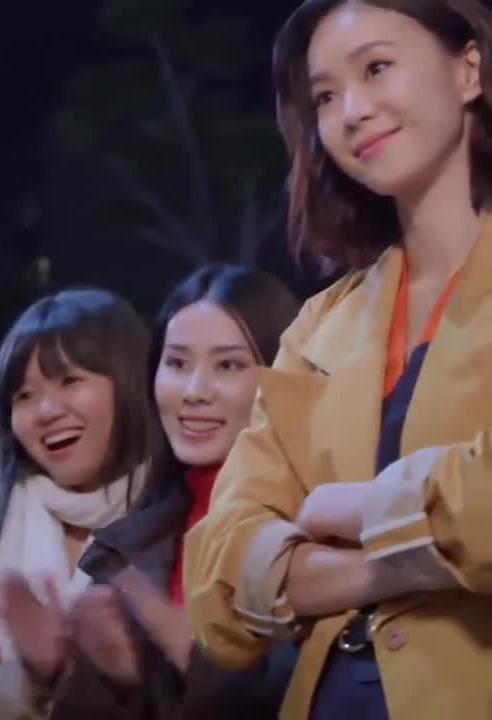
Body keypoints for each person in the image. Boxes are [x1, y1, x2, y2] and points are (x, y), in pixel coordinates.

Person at [184, 1, 492, 718]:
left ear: (469, 70)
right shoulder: (321, 324)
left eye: (376, 68)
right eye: (324, 97)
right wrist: (400, 565)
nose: (351, 111)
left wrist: (348, 510)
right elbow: (217, 580)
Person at [33, 264, 300, 719]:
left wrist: (177, 643)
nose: (194, 391)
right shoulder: (130, 545)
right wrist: (105, 676)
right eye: (176, 363)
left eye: (228, 365)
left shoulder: (310, 535)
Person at [0, 287, 157, 720]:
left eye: (70, 381)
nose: (47, 411)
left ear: (130, 384)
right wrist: (32, 674)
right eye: (24, 396)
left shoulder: (181, 518)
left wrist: (124, 670)